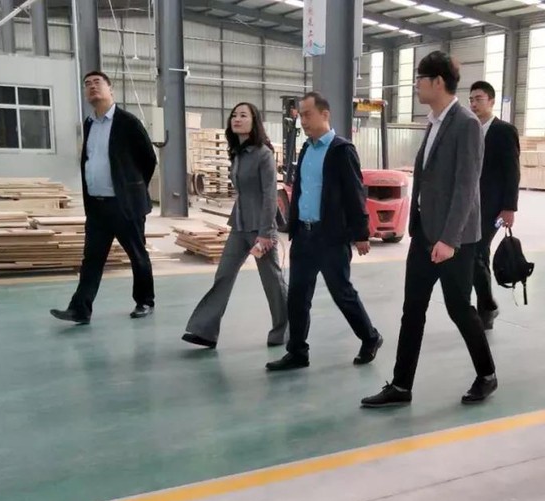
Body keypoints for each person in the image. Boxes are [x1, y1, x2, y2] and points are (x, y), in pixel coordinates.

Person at [361, 51, 497, 408]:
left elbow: (466, 186)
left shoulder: (466, 124)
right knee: (413, 310)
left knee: (458, 309)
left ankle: (487, 374)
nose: (416, 85)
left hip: (454, 240)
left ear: (438, 82)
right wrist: (419, 227)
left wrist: (449, 239)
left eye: (420, 78)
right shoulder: (434, 122)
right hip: (424, 234)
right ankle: (401, 386)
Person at [265, 92, 382, 371]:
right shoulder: (306, 149)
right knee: (297, 296)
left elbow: (355, 193)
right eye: (301, 116)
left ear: (325, 114)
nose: (303, 121)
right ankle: (297, 352)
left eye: (308, 114)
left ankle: (370, 337)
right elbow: (301, 190)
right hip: (304, 236)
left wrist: (361, 233)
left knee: (342, 293)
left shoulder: (342, 150)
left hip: (331, 237)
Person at [50, 71, 156, 324]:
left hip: (124, 205)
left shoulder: (128, 122)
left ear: (111, 89)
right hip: (97, 206)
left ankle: (145, 301)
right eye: (87, 84)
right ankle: (80, 309)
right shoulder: (89, 124)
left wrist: (132, 188)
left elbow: (148, 159)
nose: (92, 87)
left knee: (137, 255)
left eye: (97, 82)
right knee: (92, 260)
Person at [182, 103, 288, 349]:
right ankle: (205, 332)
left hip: (261, 228)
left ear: (254, 121)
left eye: (243, 115)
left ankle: (284, 331)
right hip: (239, 225)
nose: (237, 119)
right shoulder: (237, 153)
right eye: (234, 115)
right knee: (223, 275)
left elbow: (270, 195)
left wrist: (266, 233)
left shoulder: (263, 154)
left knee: (272, 281)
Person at [467, 80, 521, 330]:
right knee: (477, 254)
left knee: (476, 251)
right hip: (469, 205)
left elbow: (512, 171)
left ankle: (487, 307)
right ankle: (486, 307)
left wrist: (509, 208)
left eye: (478, 99)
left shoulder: (503, 131)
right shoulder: (469, 129)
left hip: (494, 208)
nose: (473, 104)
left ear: (491, 101)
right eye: (471, 99)